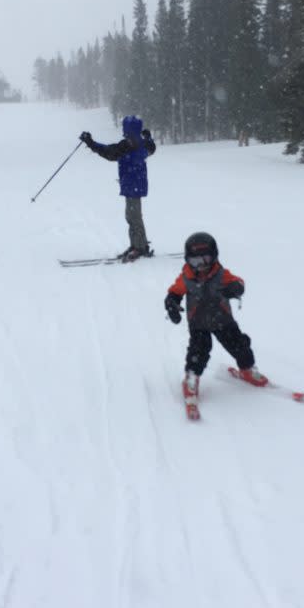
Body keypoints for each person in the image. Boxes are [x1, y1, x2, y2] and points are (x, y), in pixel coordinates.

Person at [164, 232, 268, 407]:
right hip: (198, 323)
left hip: (223, 320)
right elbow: (174, 292)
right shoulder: (186, 278)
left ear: (214, 257)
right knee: (198, 352)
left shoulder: (220, 274)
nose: (201, 266)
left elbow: (239, 282)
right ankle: (191, 378)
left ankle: (247, 370)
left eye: (205, 259)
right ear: (188, 260)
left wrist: (235, 288)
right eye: (195, 261)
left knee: (240, 345)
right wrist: (172, 304)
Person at [79, 115, 156, 262]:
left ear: (130, 131)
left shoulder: (128, 146)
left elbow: (108, 152)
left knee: (134, 217)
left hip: (133, 185)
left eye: (126, 130)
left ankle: (140, 247)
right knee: (132, 216)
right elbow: (151, 147)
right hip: (133, 185)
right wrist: (148, 137)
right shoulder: (140, 143)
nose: (124, 133)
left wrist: (90, 143)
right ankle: (137, 245)